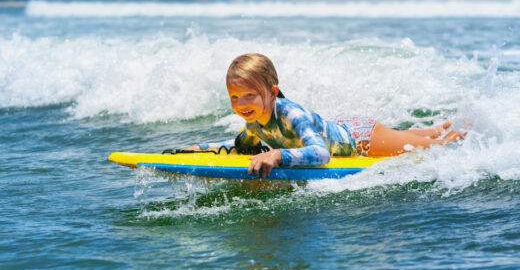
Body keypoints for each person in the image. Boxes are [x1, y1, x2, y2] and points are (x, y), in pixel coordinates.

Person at [187, 53, 465, 179]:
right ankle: (441, 126)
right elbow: (243, 147)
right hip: (346, 129)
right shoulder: (253, 121)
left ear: (273, 92)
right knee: (415, 137)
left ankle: (464, 134)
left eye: (249, 95)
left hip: (361, 139)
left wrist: (277, 155)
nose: (241, 103)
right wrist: (206, 150)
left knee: (434, 147)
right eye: (234, 97)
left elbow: (322, 155)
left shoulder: (290, 114)